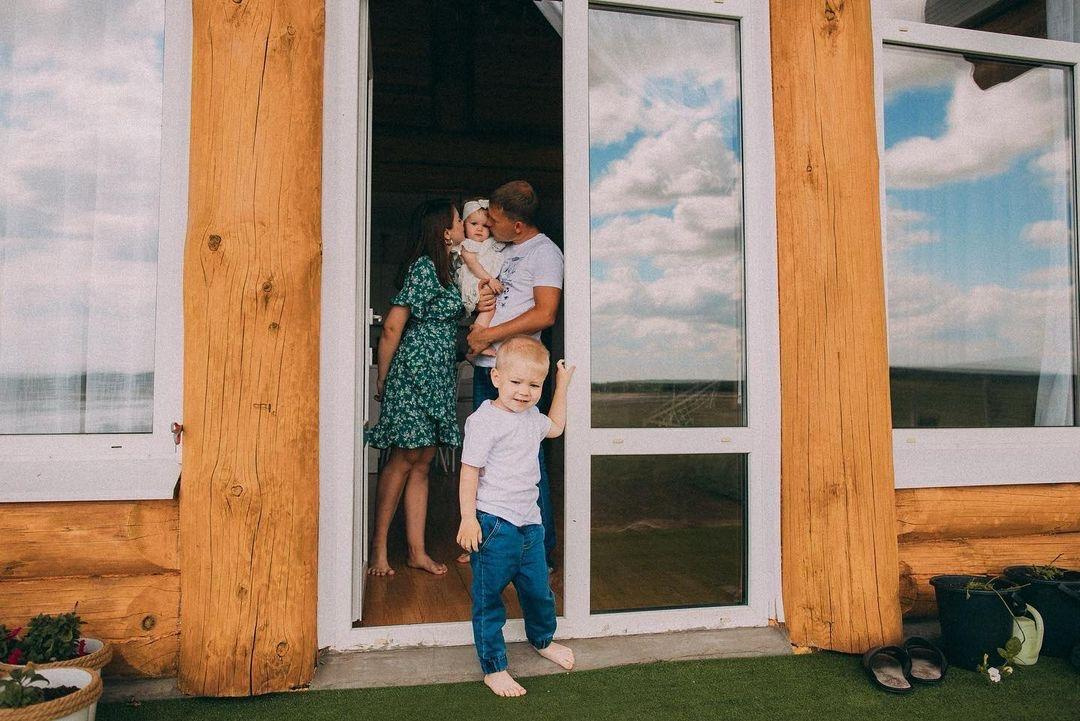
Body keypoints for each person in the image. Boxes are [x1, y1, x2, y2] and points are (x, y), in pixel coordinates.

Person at [456, 336, 576, 697]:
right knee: (489, 597)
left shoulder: (532, 417)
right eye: (516, 382)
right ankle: (494, 667)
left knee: (539, 591)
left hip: (531, 525)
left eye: (534, 385)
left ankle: (542, 639)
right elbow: (469, 471)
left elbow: (555, 428)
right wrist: (467, 518)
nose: (524, 392)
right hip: (494, 524)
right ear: (496, 379)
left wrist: (563, 385)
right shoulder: (484, 421)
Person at [364, 198, 466, 576]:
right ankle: (378, 552)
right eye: (459, 220)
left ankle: (416, 551)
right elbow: (392, 326)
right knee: (404, 459)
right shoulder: (424, 268)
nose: (463, 225)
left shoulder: (447, 269)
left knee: (422, 462)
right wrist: (383, 377)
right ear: (444, 231)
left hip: (436, 377)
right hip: (413, 375)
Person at [466, 180, 563, 568]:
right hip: (490, 369)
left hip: (516, 374)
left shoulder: (545, 253)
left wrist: (488, 334)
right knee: (486, 461)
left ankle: (541, 552)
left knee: (526, 462)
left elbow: (545, 313)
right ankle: (490, 540)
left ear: (518, 225)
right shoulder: (507, 250)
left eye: (495, 218)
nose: (489, 223)